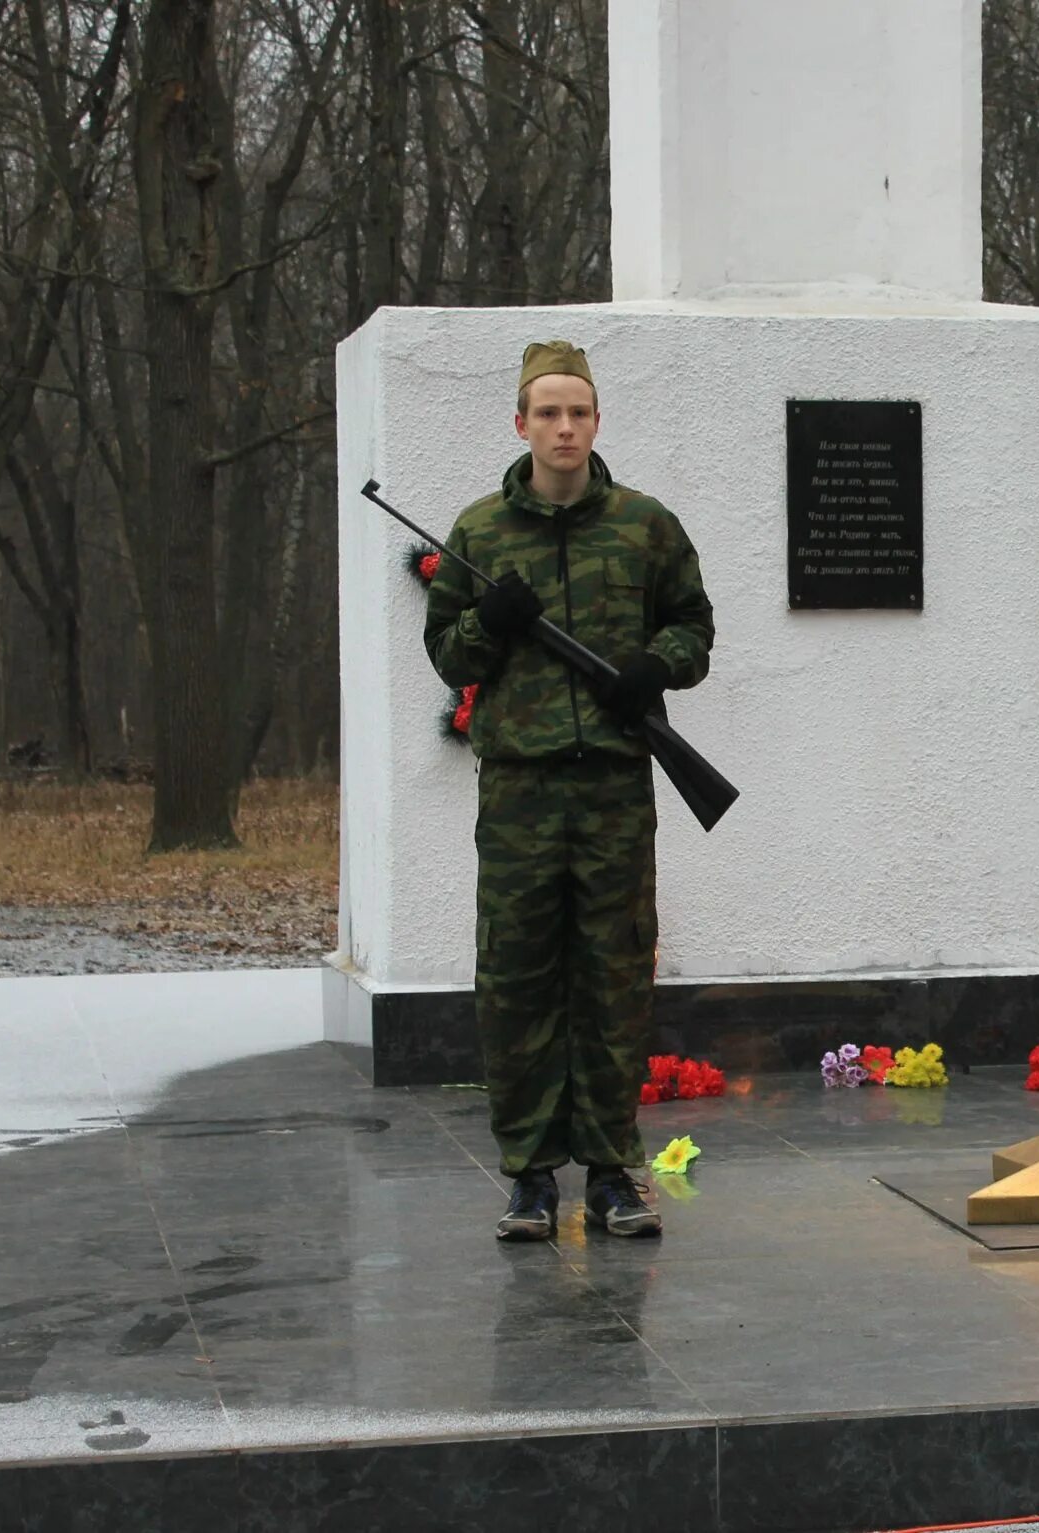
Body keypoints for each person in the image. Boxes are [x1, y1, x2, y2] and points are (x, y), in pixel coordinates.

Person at [424, 339, 715, 1239]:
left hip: (614, 792)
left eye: (577, 412)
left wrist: (646, 667)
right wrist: (492, 622)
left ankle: (611, 1172)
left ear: (596, 422)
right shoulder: (478, 532)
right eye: (546, 412)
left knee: (614, 975)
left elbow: (693, 630)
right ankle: (530, 1177)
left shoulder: (645, 525)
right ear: (521, 423)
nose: (563, 427)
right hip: (519, 792)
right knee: (515, 976)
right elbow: (448, 652)